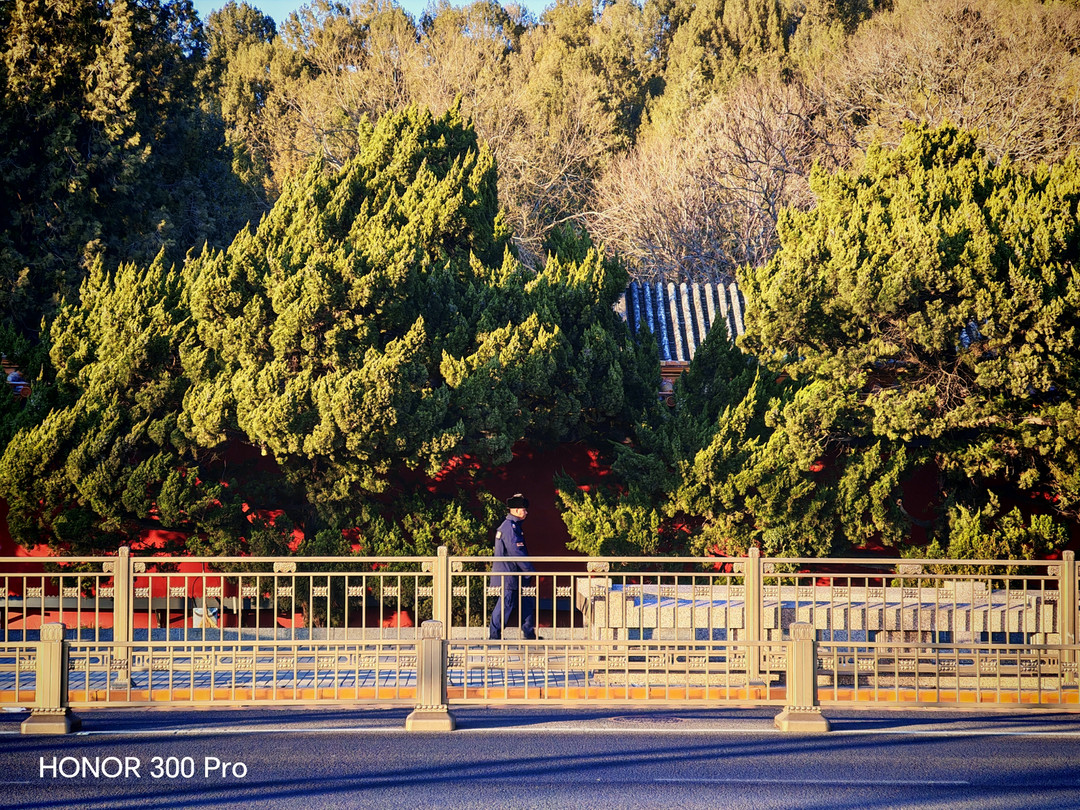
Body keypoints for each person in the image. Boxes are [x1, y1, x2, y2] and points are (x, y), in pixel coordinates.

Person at [489, 493, 537, 640]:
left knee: (526, 601)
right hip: (508, 575)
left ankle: (529, 633)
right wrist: (530, 571)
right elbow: (517, 552)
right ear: (515, 510)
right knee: (506, 605)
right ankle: (494, 636)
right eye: (524, 509)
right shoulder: (510, 528)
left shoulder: (512, 526)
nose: (526, 512)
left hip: (514, 574)